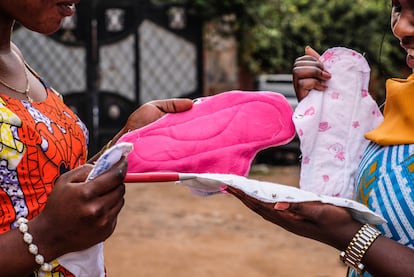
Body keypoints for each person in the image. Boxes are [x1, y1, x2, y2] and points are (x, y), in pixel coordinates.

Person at [0, 1, 193, 276]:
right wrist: (48, 235)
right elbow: (49, 221)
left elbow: (45, 184)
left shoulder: (13, 55)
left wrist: (128, 139)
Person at [227, 1, 414, 276]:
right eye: (397, 7)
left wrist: (348, 236)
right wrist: (324, 121)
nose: (399, 27)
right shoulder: (401, 105)